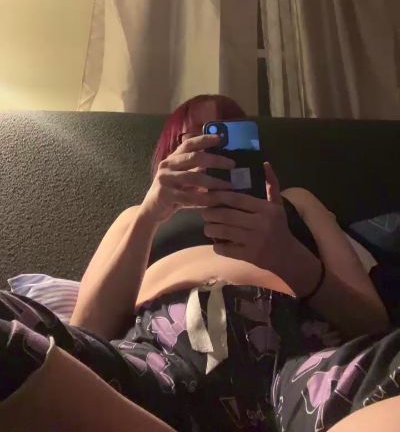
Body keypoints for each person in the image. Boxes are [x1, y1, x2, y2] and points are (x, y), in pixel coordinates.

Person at [0, 93, 399, 432]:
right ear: (168, 153)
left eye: (225, 136)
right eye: (195, 138)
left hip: (293, 358)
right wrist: (151, 214)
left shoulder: (296, 201)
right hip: (156, 361)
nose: (211, 150)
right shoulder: (137, 216)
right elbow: (86, 333)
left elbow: (371, 322)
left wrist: (289, 256)